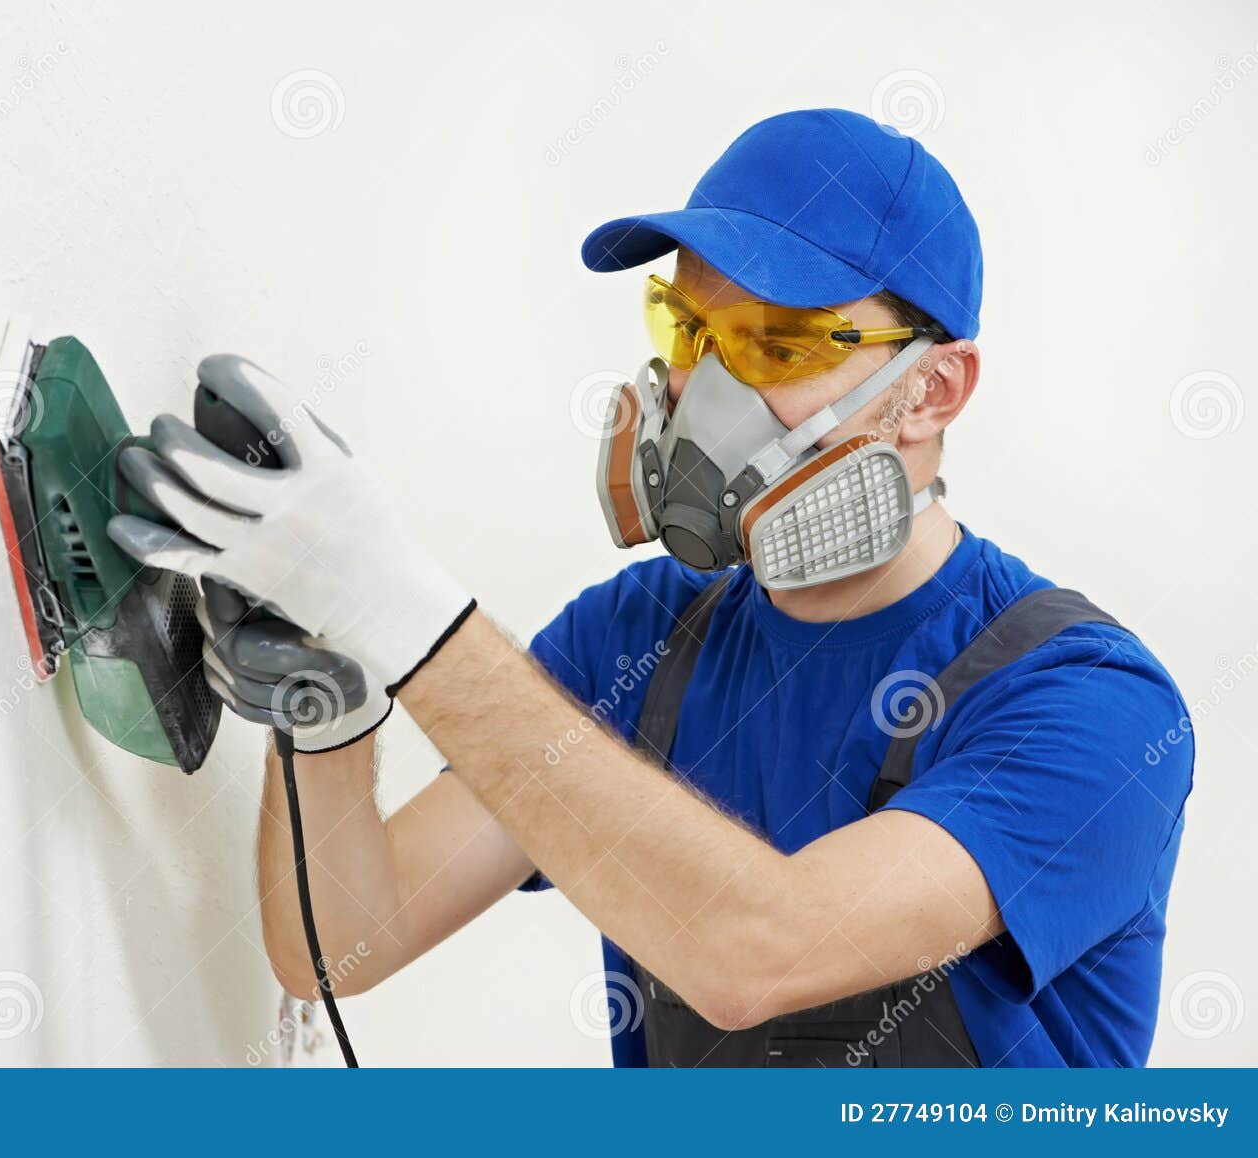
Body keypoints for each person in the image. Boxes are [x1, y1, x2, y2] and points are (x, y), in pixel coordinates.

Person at [108, 108, 1193, 1067]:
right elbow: (338, 945)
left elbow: (759, 951)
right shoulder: (636, 641)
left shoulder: (1086, 705)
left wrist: (403, 613)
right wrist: (331, 715)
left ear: (932, 390)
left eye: (776, 346)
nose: (702, 395)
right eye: (689, 332)